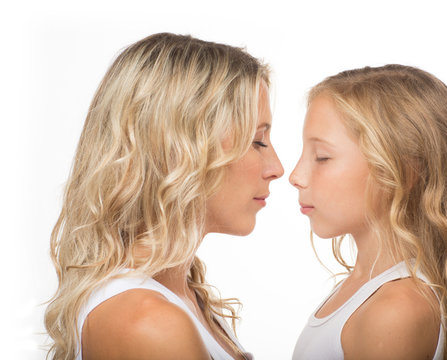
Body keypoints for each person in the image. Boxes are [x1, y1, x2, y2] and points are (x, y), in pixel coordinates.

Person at [44, 33, 283, 360]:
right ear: (181, 151)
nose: (277, 167)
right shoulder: (148, 323)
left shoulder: (180, 296)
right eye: (258, 141)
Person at [290, 64, 447, 359]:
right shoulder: (367, 291)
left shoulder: (395, 311)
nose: (296, 175)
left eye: (322, 157)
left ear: (402, 172)